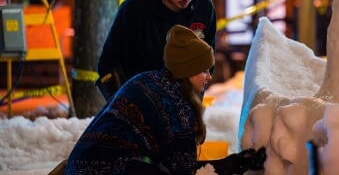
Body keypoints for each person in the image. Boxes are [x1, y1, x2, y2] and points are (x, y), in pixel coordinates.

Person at [65, 25, 265, 174]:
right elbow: (186, 173)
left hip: (77, 166)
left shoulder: (144, 79)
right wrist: (237, 163)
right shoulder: (175, 108)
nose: (209, 77)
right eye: (204, 70)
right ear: (187, 71)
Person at [96, 0, 217, 101]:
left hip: (187, 101)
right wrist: (126, 105)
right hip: (141, 101)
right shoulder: (133, 10)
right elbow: (108, 65)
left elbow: (207, 61)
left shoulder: (204, 8)